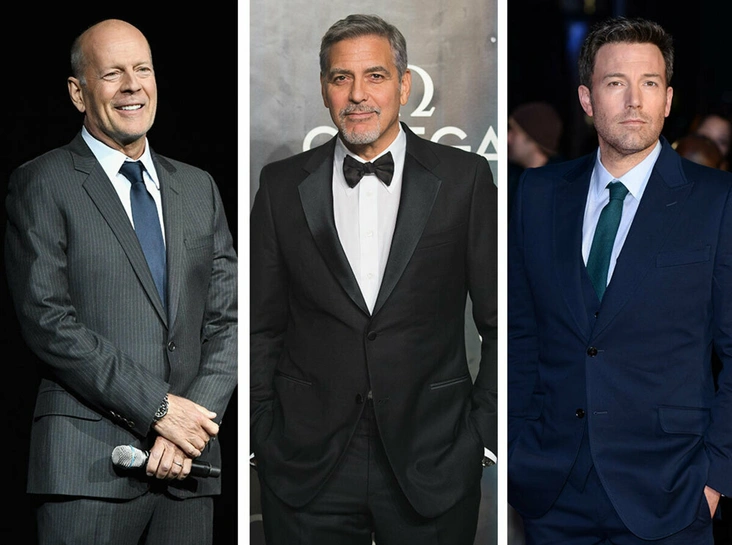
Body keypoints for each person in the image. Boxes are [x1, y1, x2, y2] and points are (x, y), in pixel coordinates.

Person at [250, 13, 497, 545]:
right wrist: (261, 429)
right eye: (342, 78)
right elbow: (260, 325)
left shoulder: (466, 180)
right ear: (324, 89)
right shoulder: (280, 186)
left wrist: (482, 435)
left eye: (375, 76)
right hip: (305, 461)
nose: (358, 94)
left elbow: (503, 322)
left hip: (434, 455)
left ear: (404, 86)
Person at [4, 19, 237, 544]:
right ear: (78, 92)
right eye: (112, 74)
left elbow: (229, 320)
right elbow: (47, 321)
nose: (133, 86)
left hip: (190, 470)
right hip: (88, 469)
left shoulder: (198, 187)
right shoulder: (42, 182)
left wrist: (189, 428)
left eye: (143, 70)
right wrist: (159, 410)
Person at [508, 16, 732, 545]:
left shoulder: (716, 200)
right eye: (616, 83)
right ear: (587, 99)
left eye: (649, 83)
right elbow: (520, 335)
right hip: (552, 492)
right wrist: (518, 450)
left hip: (671, 493)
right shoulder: (538, 193)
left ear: (668, 99)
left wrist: (715, 478)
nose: (634, 100)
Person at [507, 101, 564, 219]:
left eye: (514, 133)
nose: (508, 138)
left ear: (531, 139)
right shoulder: (514, 179)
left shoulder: (560, 188)